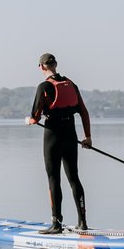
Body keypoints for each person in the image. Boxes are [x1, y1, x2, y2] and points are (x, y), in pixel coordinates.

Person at [26, 53, 92, 234]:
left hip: (53, 135)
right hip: (71, 133)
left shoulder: (44, 86)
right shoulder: (71, 84)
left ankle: (56, 224)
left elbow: (35, 117)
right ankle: (82, 222)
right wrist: (87, 137)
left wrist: (29, 121)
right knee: (74, 178)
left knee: (53, 178)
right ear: (55, 64)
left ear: (41, 67)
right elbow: (84, 112)